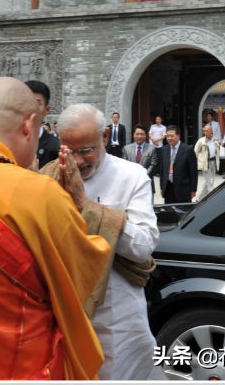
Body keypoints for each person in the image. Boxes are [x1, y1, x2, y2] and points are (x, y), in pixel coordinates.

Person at [0, 78, 110, 380]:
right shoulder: (38, 193)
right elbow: (83, 271)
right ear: (29, 127)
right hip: (16, 365)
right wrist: (77, 207)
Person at [43, 104, 161, 380]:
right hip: (62, 306)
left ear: (105, 136)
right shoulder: (48, 176)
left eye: (86, 150)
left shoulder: (131, 176)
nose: (77, 161)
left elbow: (143, 246)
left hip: (116, 311)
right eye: (69, 150)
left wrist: (85, 206)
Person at [24, 80, 60, 169]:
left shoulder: (56, 148)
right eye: (26, 102)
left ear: (46, 110)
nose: (30, 107)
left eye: (37, 103)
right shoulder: (7, 144)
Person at [159, 125, 198, 203]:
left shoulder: (188, 149)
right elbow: (162, 171)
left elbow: (193, 172)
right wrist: (162, 187)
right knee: (169, 210)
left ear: (178, 136)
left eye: (172, 136)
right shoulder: (164, 149)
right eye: (167, 136)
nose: (169, 138)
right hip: (168, 188)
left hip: (183, 189)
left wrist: (193, 190)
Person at [193, 124, 220, 201]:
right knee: (210, 182)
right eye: (204, 131)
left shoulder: (215, 140)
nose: (205, 132)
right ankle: (214, 199)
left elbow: (217, 152)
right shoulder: (201, 141)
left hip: (213, 162)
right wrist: (198, 161)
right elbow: (195, 152)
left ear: (211, 131)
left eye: (207, 131)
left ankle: (199, 199)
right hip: (205, 163)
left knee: (208, 181)